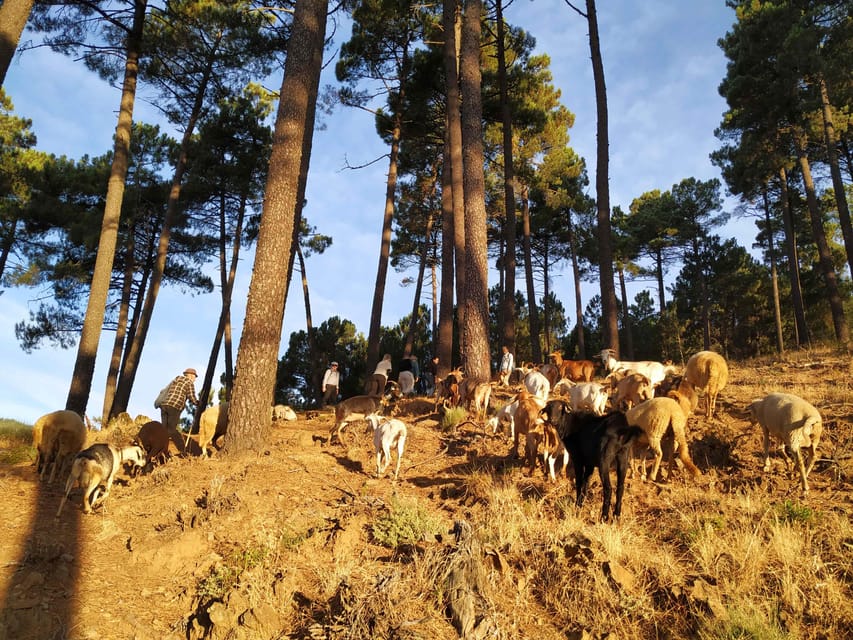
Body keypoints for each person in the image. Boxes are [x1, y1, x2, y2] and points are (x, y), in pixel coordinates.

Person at [160, 368, 199, 453]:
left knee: (164, 429)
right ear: (191, 376)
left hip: (164, 404)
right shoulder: (189, 383)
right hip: (175, 406)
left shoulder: (176, 380)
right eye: (194, 377)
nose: (195, 379)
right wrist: (197, 403)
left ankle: (161, 448)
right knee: (172, 429)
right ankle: (182, 449)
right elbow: (191, 396)